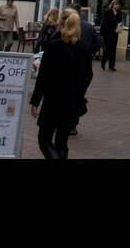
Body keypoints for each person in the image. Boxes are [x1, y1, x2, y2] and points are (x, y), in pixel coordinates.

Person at [30, 10, 93, 159]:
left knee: (44, 139)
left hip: (54, 100)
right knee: (62, 141)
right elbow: (88, 75)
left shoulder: (54, 46)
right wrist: (79, 92)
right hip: (72, 101)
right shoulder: (83, 47)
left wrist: (35, 101)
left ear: (61, 24)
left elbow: (43, 76)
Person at [99, 0, 121, 71]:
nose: (117, 6)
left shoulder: (119, 13)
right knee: (107, 49)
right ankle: (104, 61)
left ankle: (111, 65)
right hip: (107, 33)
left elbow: (120, 22)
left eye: (118, 4)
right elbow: (103, 23)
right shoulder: (107, 12)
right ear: (113, 5)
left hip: (115, 33)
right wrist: (101, 34)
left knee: (113, 49)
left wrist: (120, 27)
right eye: (116, 4)